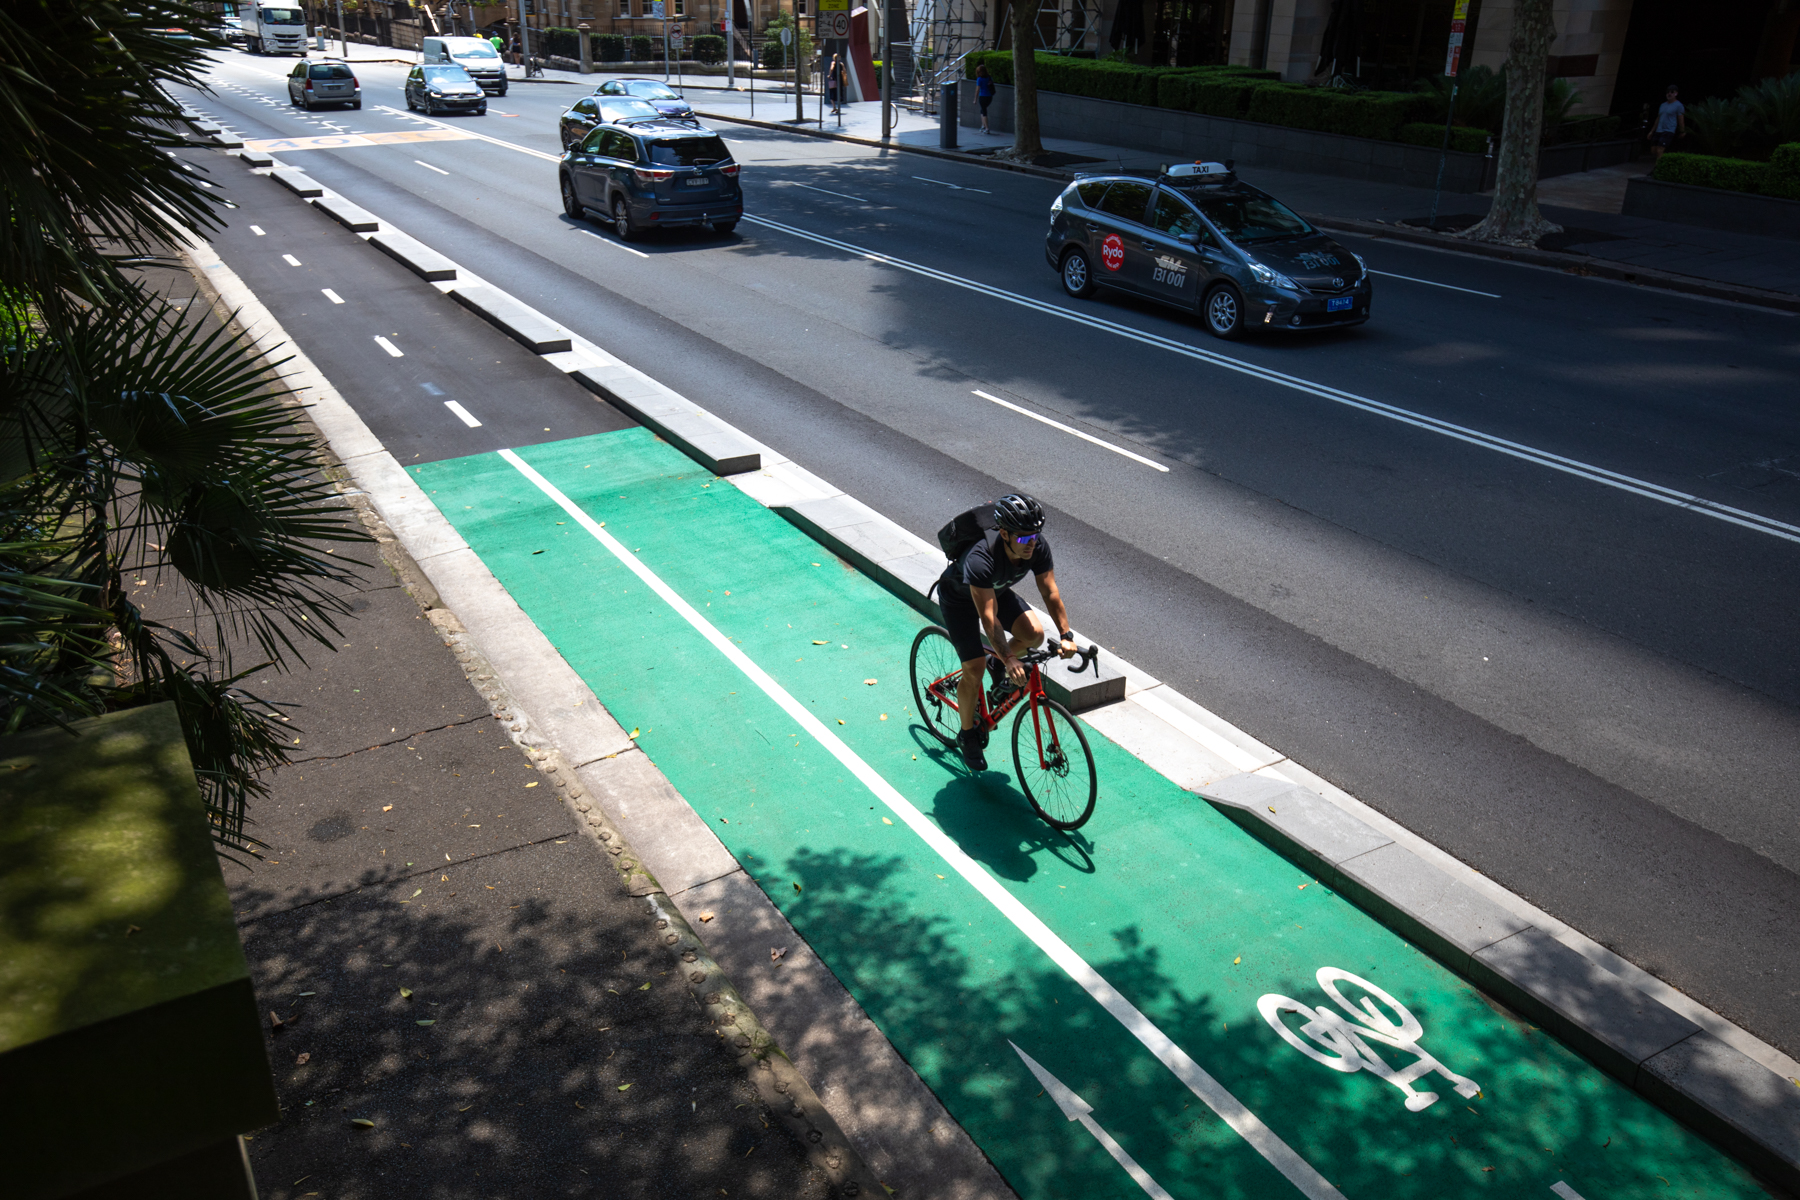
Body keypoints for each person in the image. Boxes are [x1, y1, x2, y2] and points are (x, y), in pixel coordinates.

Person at [936, 494, 1077, 772]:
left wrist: (1066, 635)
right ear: (1004, 534)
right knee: (973, 669)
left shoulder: (1035, 546)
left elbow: (1050, 591)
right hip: (960, 601)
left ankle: (995, 662)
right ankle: (967, 734)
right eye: (1024, 538)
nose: (1032, 543)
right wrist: (1010, 657)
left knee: (1035, 634)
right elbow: (988, 620)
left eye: (1035, 536)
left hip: (995, 591)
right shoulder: (981, 558)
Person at [1650, 84, 1685, 159]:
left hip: (1668, 130)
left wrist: (1682, 131)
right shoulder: (1663, 105)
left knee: (1660, 149)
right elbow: (1658, 118)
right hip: (1659, 130)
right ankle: (1663, 162)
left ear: (1676, 93)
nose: (1669, 94)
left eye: (1672, 92)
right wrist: (1652, 131)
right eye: (1668, 92)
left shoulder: (1679, 105)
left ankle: (1658, 168)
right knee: (1654, 150)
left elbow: (1680, 119)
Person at [975, 62, 995, 135]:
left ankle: (986, 128)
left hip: (982, 96)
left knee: (984, 112)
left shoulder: (979, 79)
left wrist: (975, 99)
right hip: (989, 96)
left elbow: (977, 90)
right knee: (982, 110)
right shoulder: (989, 77)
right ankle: (982, 126)